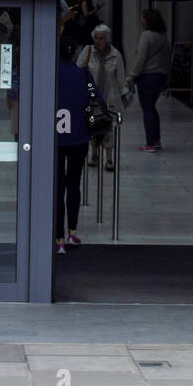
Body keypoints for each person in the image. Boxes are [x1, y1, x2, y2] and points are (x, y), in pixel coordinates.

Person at [55, 37, 95, 255]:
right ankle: (72, 231)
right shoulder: (84, 75)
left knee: (57, 186)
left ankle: (58, 238)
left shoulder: (50, 75)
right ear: (74, 54)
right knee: (73, 184)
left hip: (56, 139)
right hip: (79, 137)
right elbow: (95, 98)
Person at [76, 23, 124, 171]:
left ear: (107, 39)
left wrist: (124, 95)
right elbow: (78, 69)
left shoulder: (116, 55)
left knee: (108, 127)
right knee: (93, 124)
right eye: (96, 38)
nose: (98, 41)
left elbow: (121, 78)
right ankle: (94, 154)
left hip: (109, 96)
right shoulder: (88, 51)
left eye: (101, 38)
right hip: (92, 95)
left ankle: (109, 158)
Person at [125, 8, 170, 152]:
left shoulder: (146, 36)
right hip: (160, 77)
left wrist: (132, 75)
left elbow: (141, 59)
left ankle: (150, 143)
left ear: (149, 20)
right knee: (152, 108)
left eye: (143, 18)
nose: (141, 20)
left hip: (147, 78)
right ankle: (156, 140)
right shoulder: (163, 37)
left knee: (148, 110)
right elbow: (166, 59)